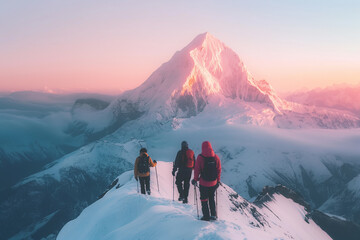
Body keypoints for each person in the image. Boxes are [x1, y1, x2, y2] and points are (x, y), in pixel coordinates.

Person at [192, 141, 221, 221]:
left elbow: (197, 170)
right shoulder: (216, 157)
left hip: (204, 183)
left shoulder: (200, 157)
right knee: (211, 198)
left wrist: (195, 179)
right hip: (213, 183)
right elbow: (218, 170)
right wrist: (218, 181)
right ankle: (213, 215)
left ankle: (206, 216)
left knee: (204, 199)